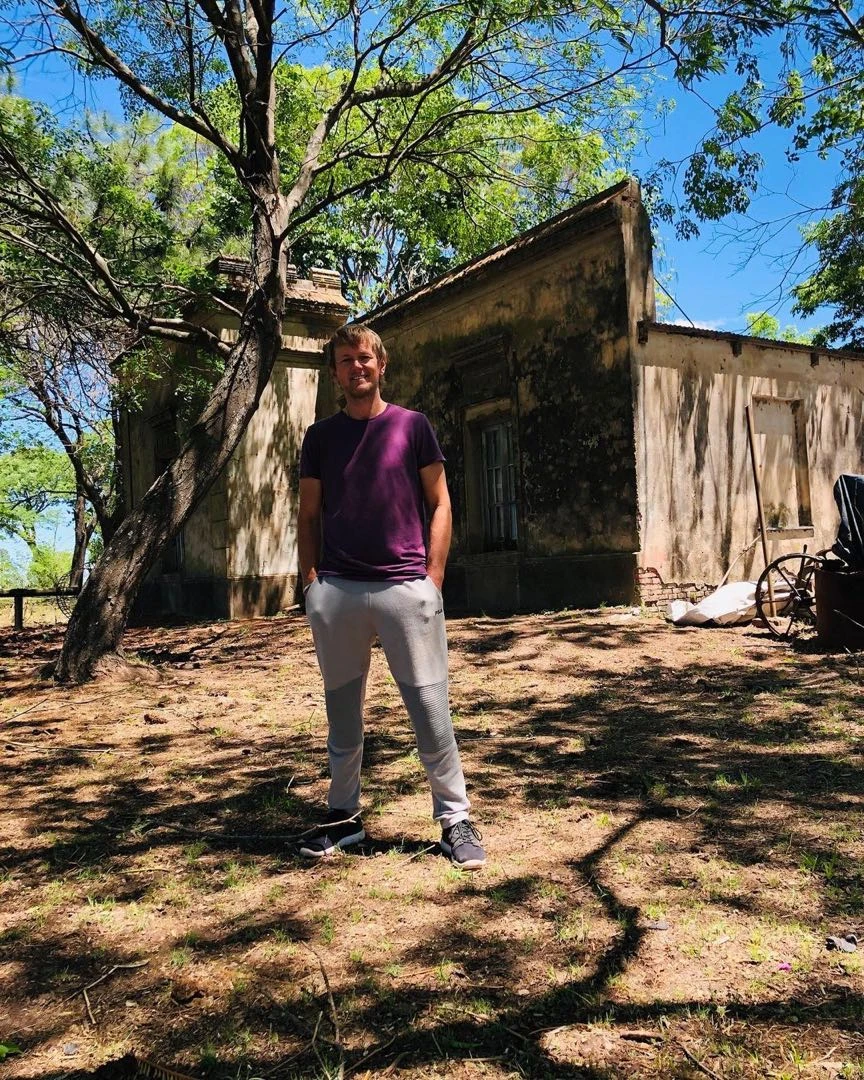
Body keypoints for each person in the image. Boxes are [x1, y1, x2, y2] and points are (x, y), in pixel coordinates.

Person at [296, 324, 486, 870]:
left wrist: (433, 579)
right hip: (338, 592)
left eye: (364, 358)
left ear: (381, 365)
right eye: (345, 360)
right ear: (335, 373)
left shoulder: (413, 426)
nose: (356, 367)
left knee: (430, 711)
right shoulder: (320, 438)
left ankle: (455, 819)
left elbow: (440, 503)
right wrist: (311, 585)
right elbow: (308, 514)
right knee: (342, 715)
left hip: (407, 588)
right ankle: (343, 817)